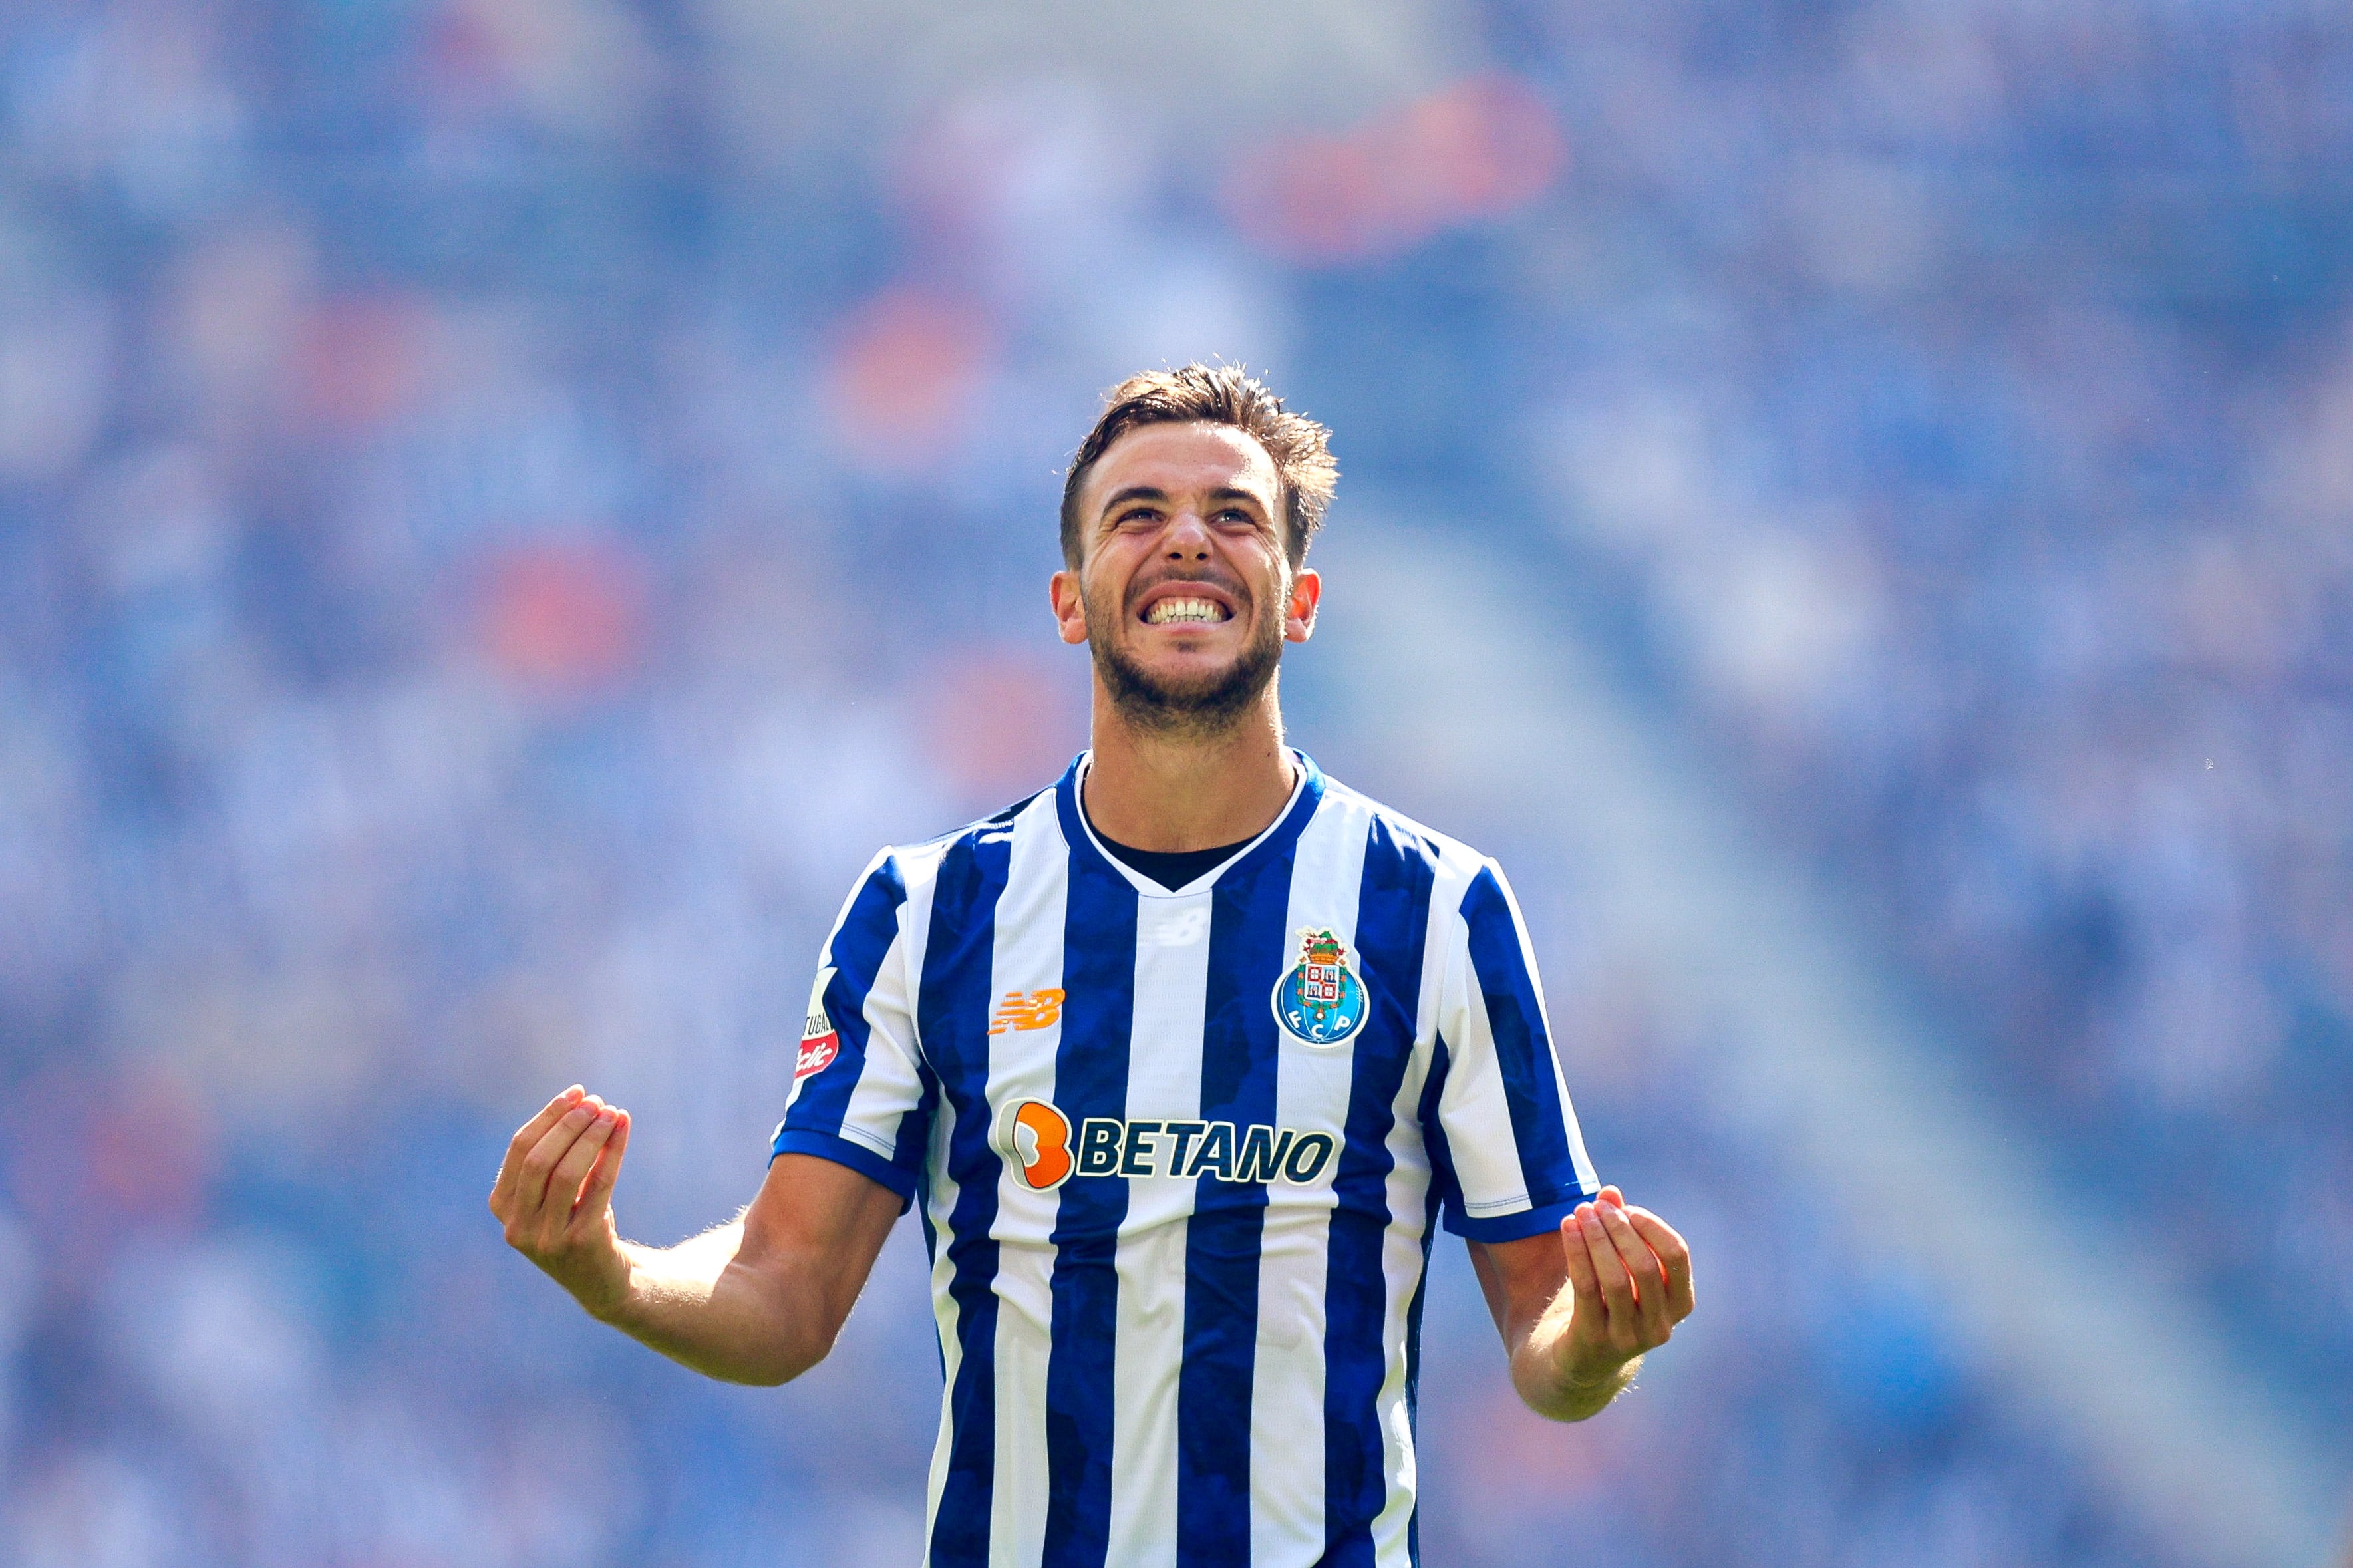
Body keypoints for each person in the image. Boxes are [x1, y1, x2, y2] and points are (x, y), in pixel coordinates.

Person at [490, 365, 1695, 1565]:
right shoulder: (929, 910)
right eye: (1138, 515)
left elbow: (1546, 1322)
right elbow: (786, 1287)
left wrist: (1598, 1340)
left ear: (1300, 596)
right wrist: (611, 1274)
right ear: (1071, 600)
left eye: (1233, 516)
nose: (1186, 542)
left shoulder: (1435, 909)